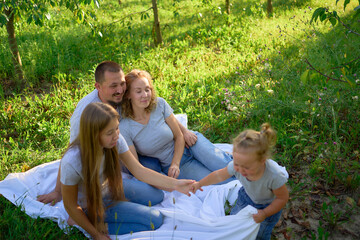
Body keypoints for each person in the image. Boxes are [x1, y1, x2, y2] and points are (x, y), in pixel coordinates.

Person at [38, 61, 197, 206]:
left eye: (122, 84)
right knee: (154, 193)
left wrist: (183, 131)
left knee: (154, 167)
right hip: (108, 167)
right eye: (114, 86)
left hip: (131, 150)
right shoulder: (85, 114)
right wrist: (58, 191)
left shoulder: (122, 95)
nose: (120, 90)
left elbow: (158, 109)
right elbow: (72, 151)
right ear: (98, 87)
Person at [61, 102, 195, 239]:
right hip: (92, 202)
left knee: (158, 196)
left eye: (117, 128)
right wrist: (96, 234)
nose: (116, 135)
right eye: (109, 132)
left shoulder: (115, 141)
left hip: (110, 188)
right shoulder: (72, 161)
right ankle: (87, 222)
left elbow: (139, 170)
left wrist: (176, 184)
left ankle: (114, 209)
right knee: (155, 220)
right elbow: (70, 205)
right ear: (94, 134)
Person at [119, 69, 234, 181]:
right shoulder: (125, 127)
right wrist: (174, 166)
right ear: (128, 95)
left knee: (231, 167)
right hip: (177, 165)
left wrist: (175, 163)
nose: (145, 95)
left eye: (147, 89)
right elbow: (136, 166)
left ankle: (234, 161)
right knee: (222, 180)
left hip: (191, 144)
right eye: (138, 91)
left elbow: (179, 136)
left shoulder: (159, 104)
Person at [191, 123, 289, 240]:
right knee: (235, 221)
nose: (240, 170)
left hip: (267, 206)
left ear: (262, 161)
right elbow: (218, 175)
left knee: (260, 232)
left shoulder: (273, 175)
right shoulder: (236, 166)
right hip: (246, 198)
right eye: (237, 164)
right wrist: (199, 184)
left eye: (247, 167)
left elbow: (282, 198)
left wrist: (265, 213)